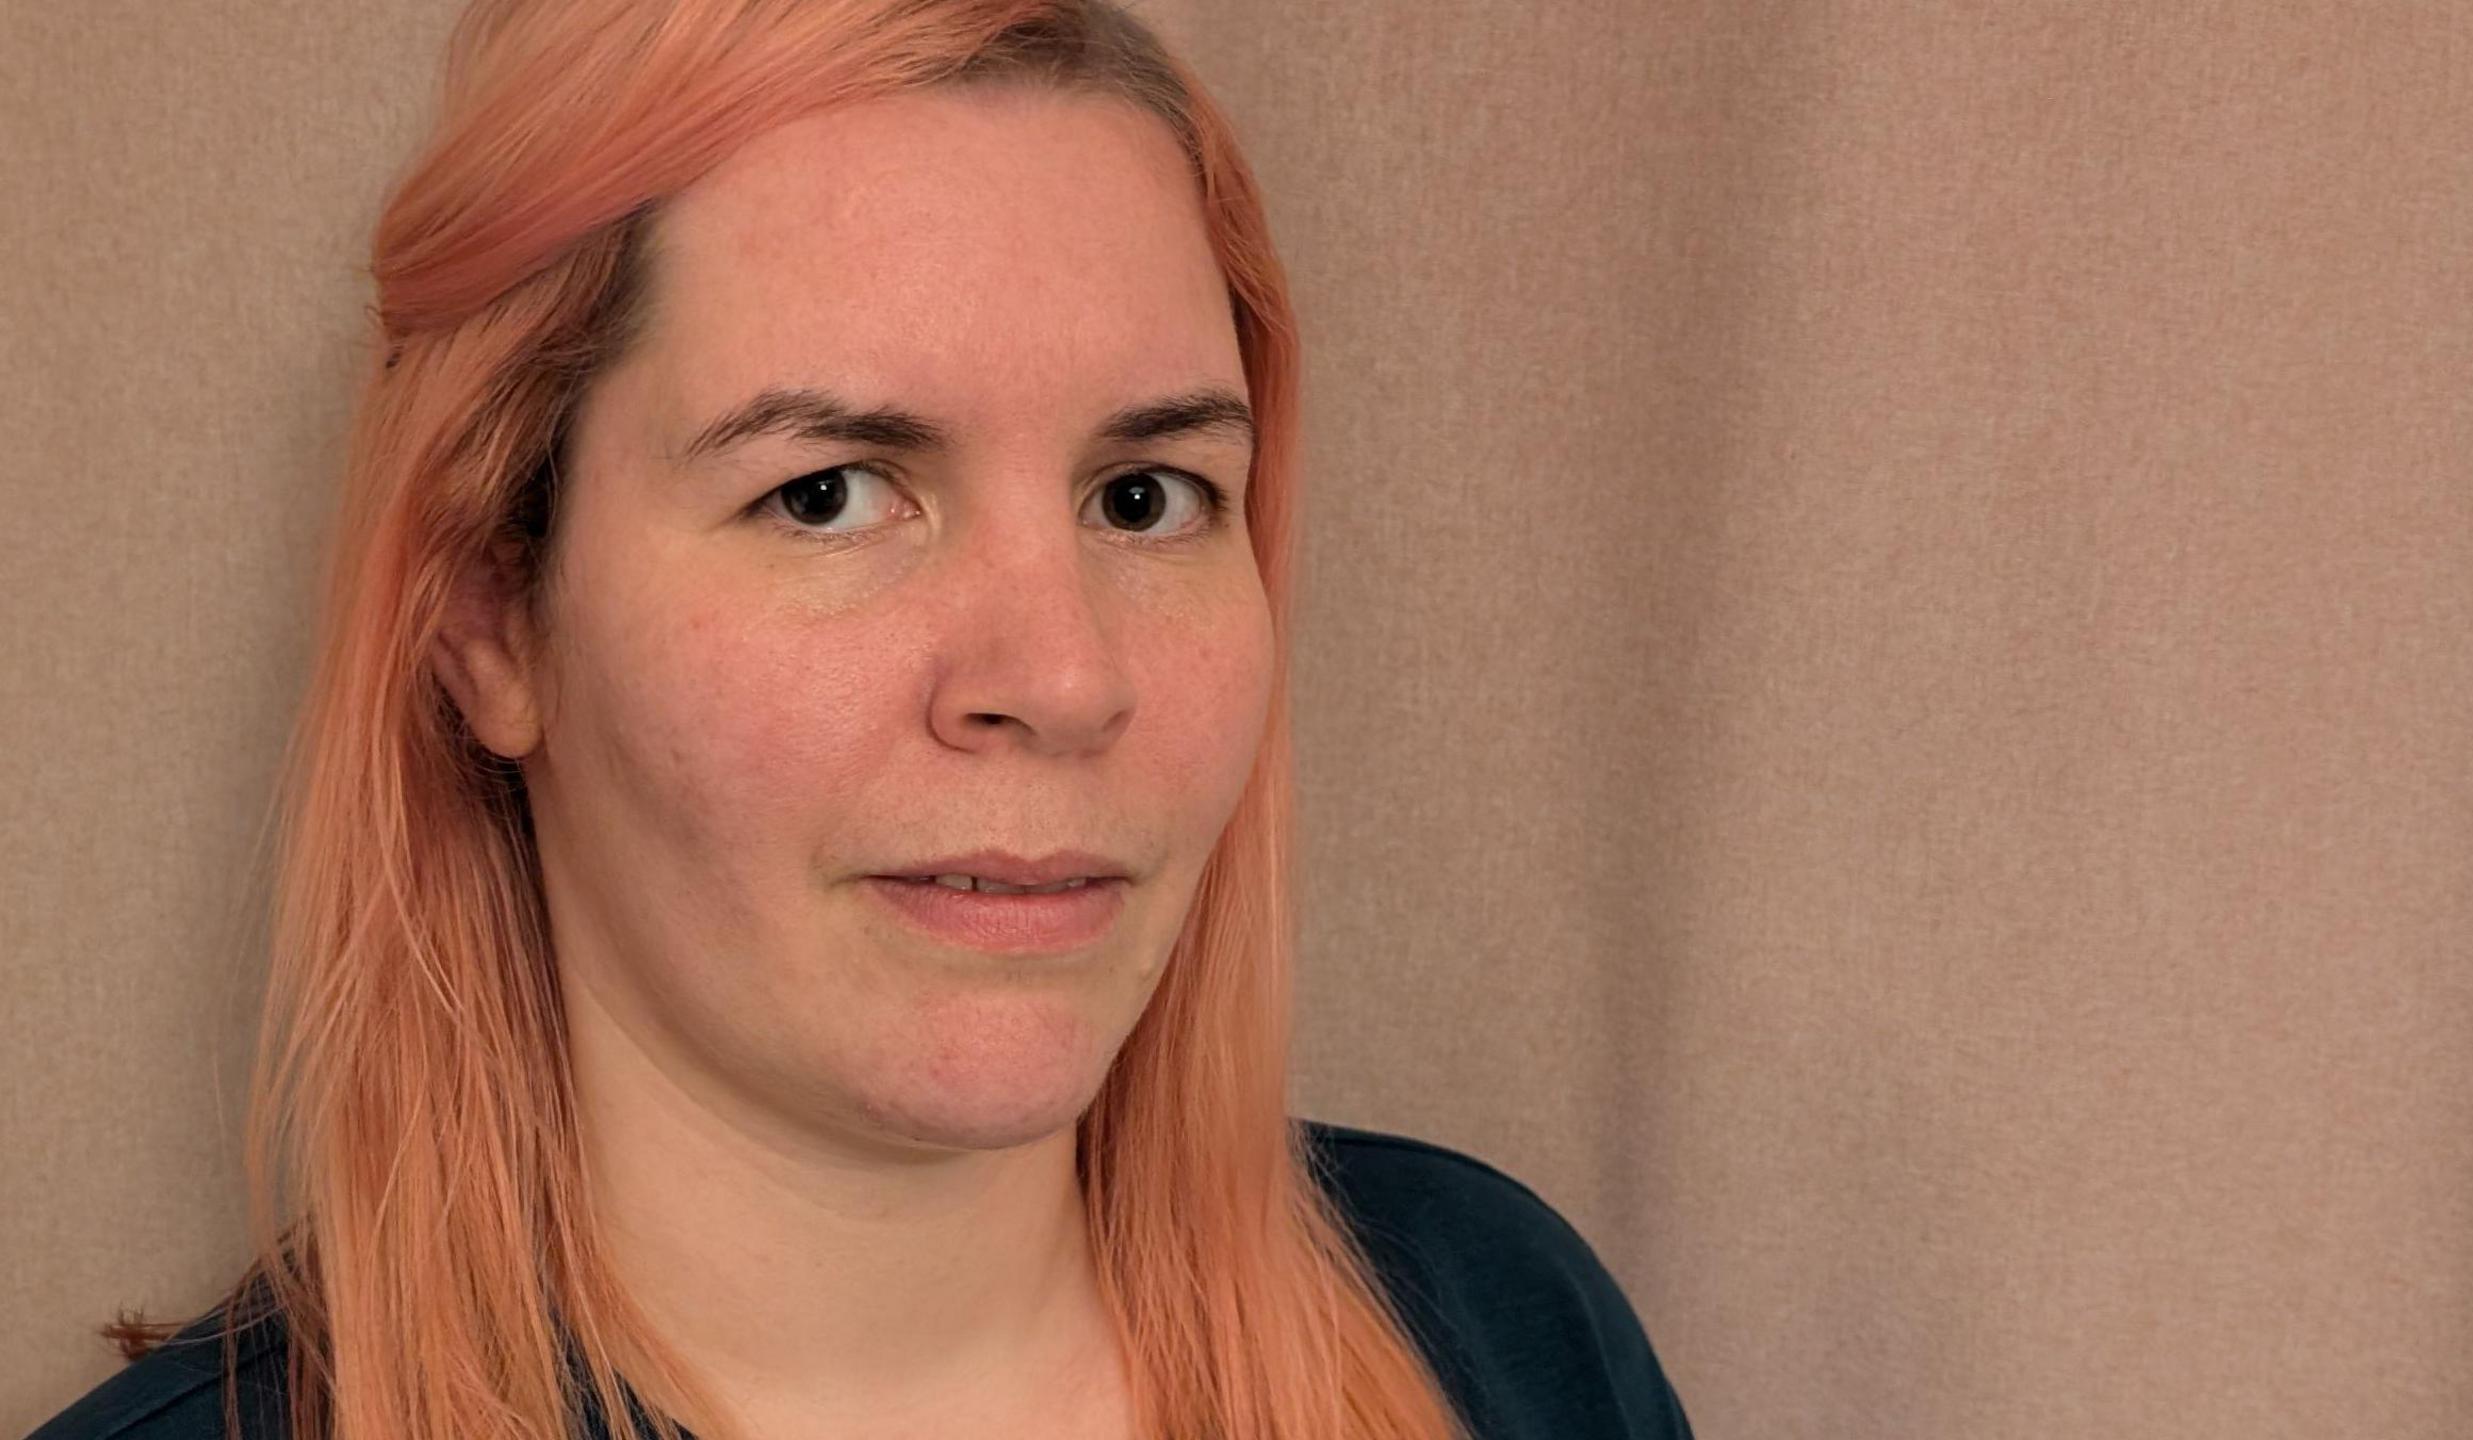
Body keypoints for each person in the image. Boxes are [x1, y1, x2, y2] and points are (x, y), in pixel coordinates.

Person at [24, 2, 1694, 1438]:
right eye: (827, 495)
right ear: (489, 618)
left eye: (1143, 496)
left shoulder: (1498, 1337)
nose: (1059, 679)